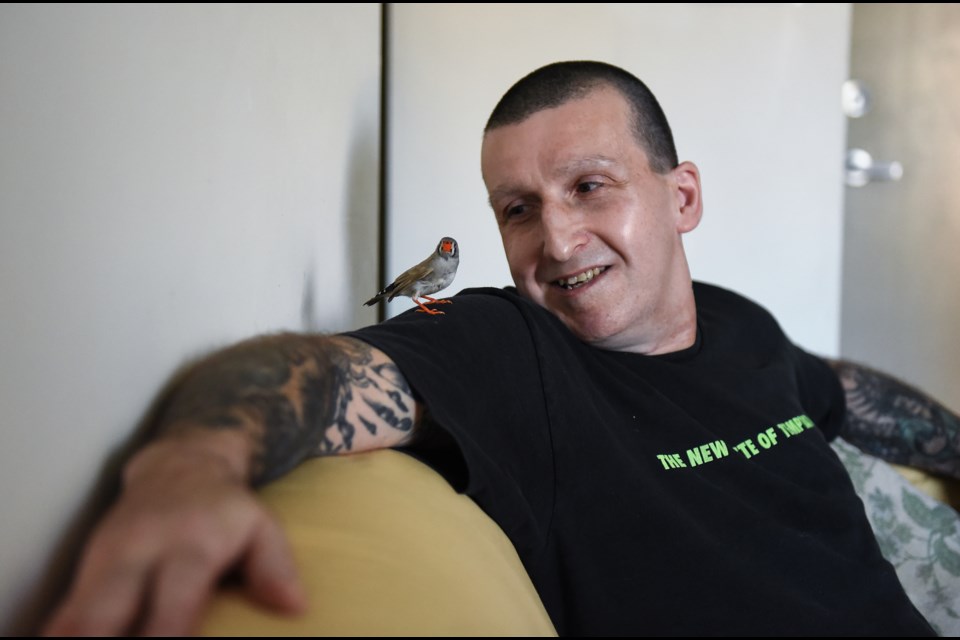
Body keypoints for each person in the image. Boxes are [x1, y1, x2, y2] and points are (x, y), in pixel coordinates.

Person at [44, 61, 956, 636]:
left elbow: (845, 392)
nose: (556, 242)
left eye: (590, 187)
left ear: (681, 200)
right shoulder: (508, 347)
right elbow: (313, 371)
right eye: (517, 210)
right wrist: (189, 465)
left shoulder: (740, 324)